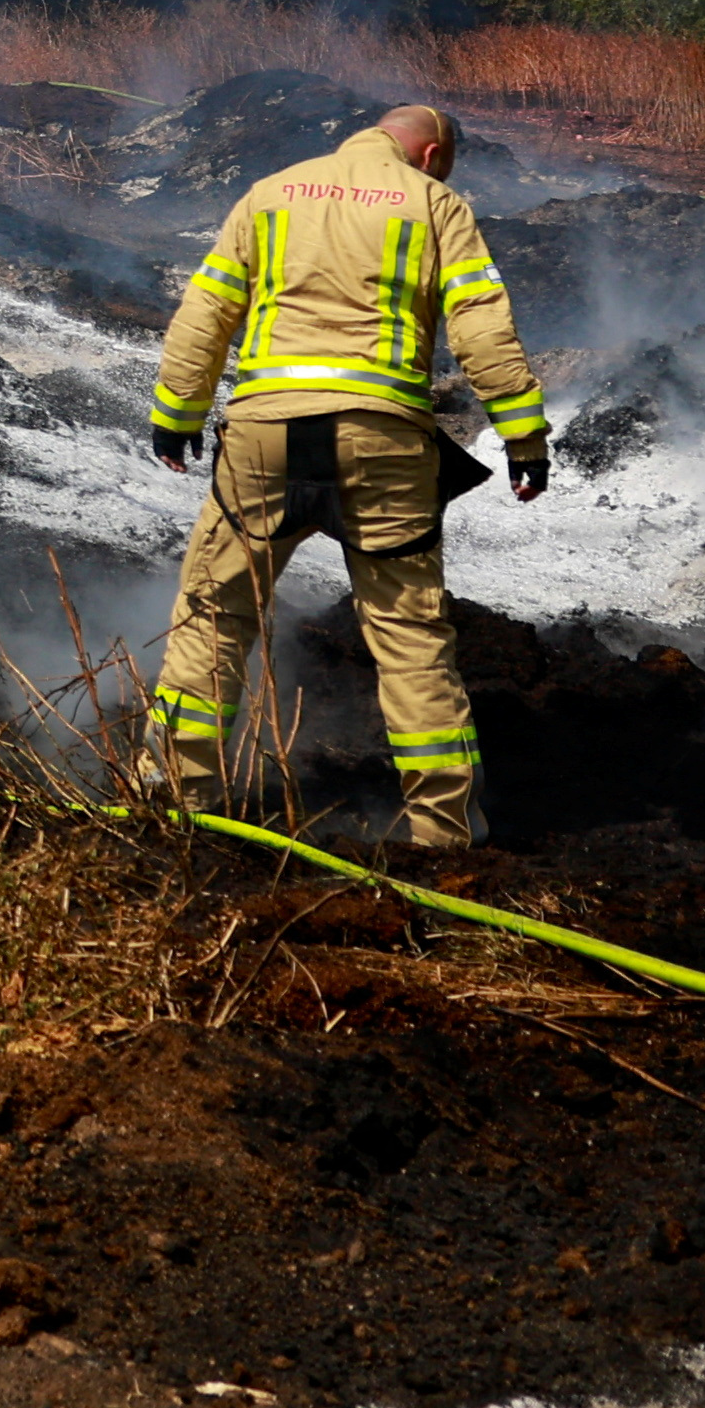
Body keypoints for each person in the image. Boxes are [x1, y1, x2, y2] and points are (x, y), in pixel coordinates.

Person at [140, 99, 551, 852]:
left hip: (267, 435)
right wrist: (523, 437)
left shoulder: (272, 190)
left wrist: (177, 410)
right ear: (428, 156)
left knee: (214, 614)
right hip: (381, 438)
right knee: (410, 635)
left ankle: (173, 799)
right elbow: (482, 322)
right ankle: (445, 835)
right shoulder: (435, 202)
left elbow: (206, 308)